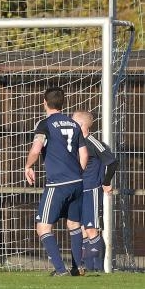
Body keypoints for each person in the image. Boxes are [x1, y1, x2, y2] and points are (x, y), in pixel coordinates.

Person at [24, 87, 88, 276]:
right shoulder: (75, 124)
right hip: (77, 181)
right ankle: (78, 267)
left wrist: (28, 166)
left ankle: (60, 270)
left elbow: (36, 149)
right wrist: (76, 174)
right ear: (63, 103)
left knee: (43, 227)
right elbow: (83, 154)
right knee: (74, 225)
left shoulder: (44, 124)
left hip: (58, 183)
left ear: (44, 102)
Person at [72, 110, 118, 272]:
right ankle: (86, 268)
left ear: (81, 125)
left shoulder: (93, 142)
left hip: (91, 189)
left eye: (73, 122)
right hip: (77, 189)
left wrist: (106, 182)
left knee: (91, 229)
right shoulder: (74, 142)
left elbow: (112, 162)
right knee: (82, 229)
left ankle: (96, 269)